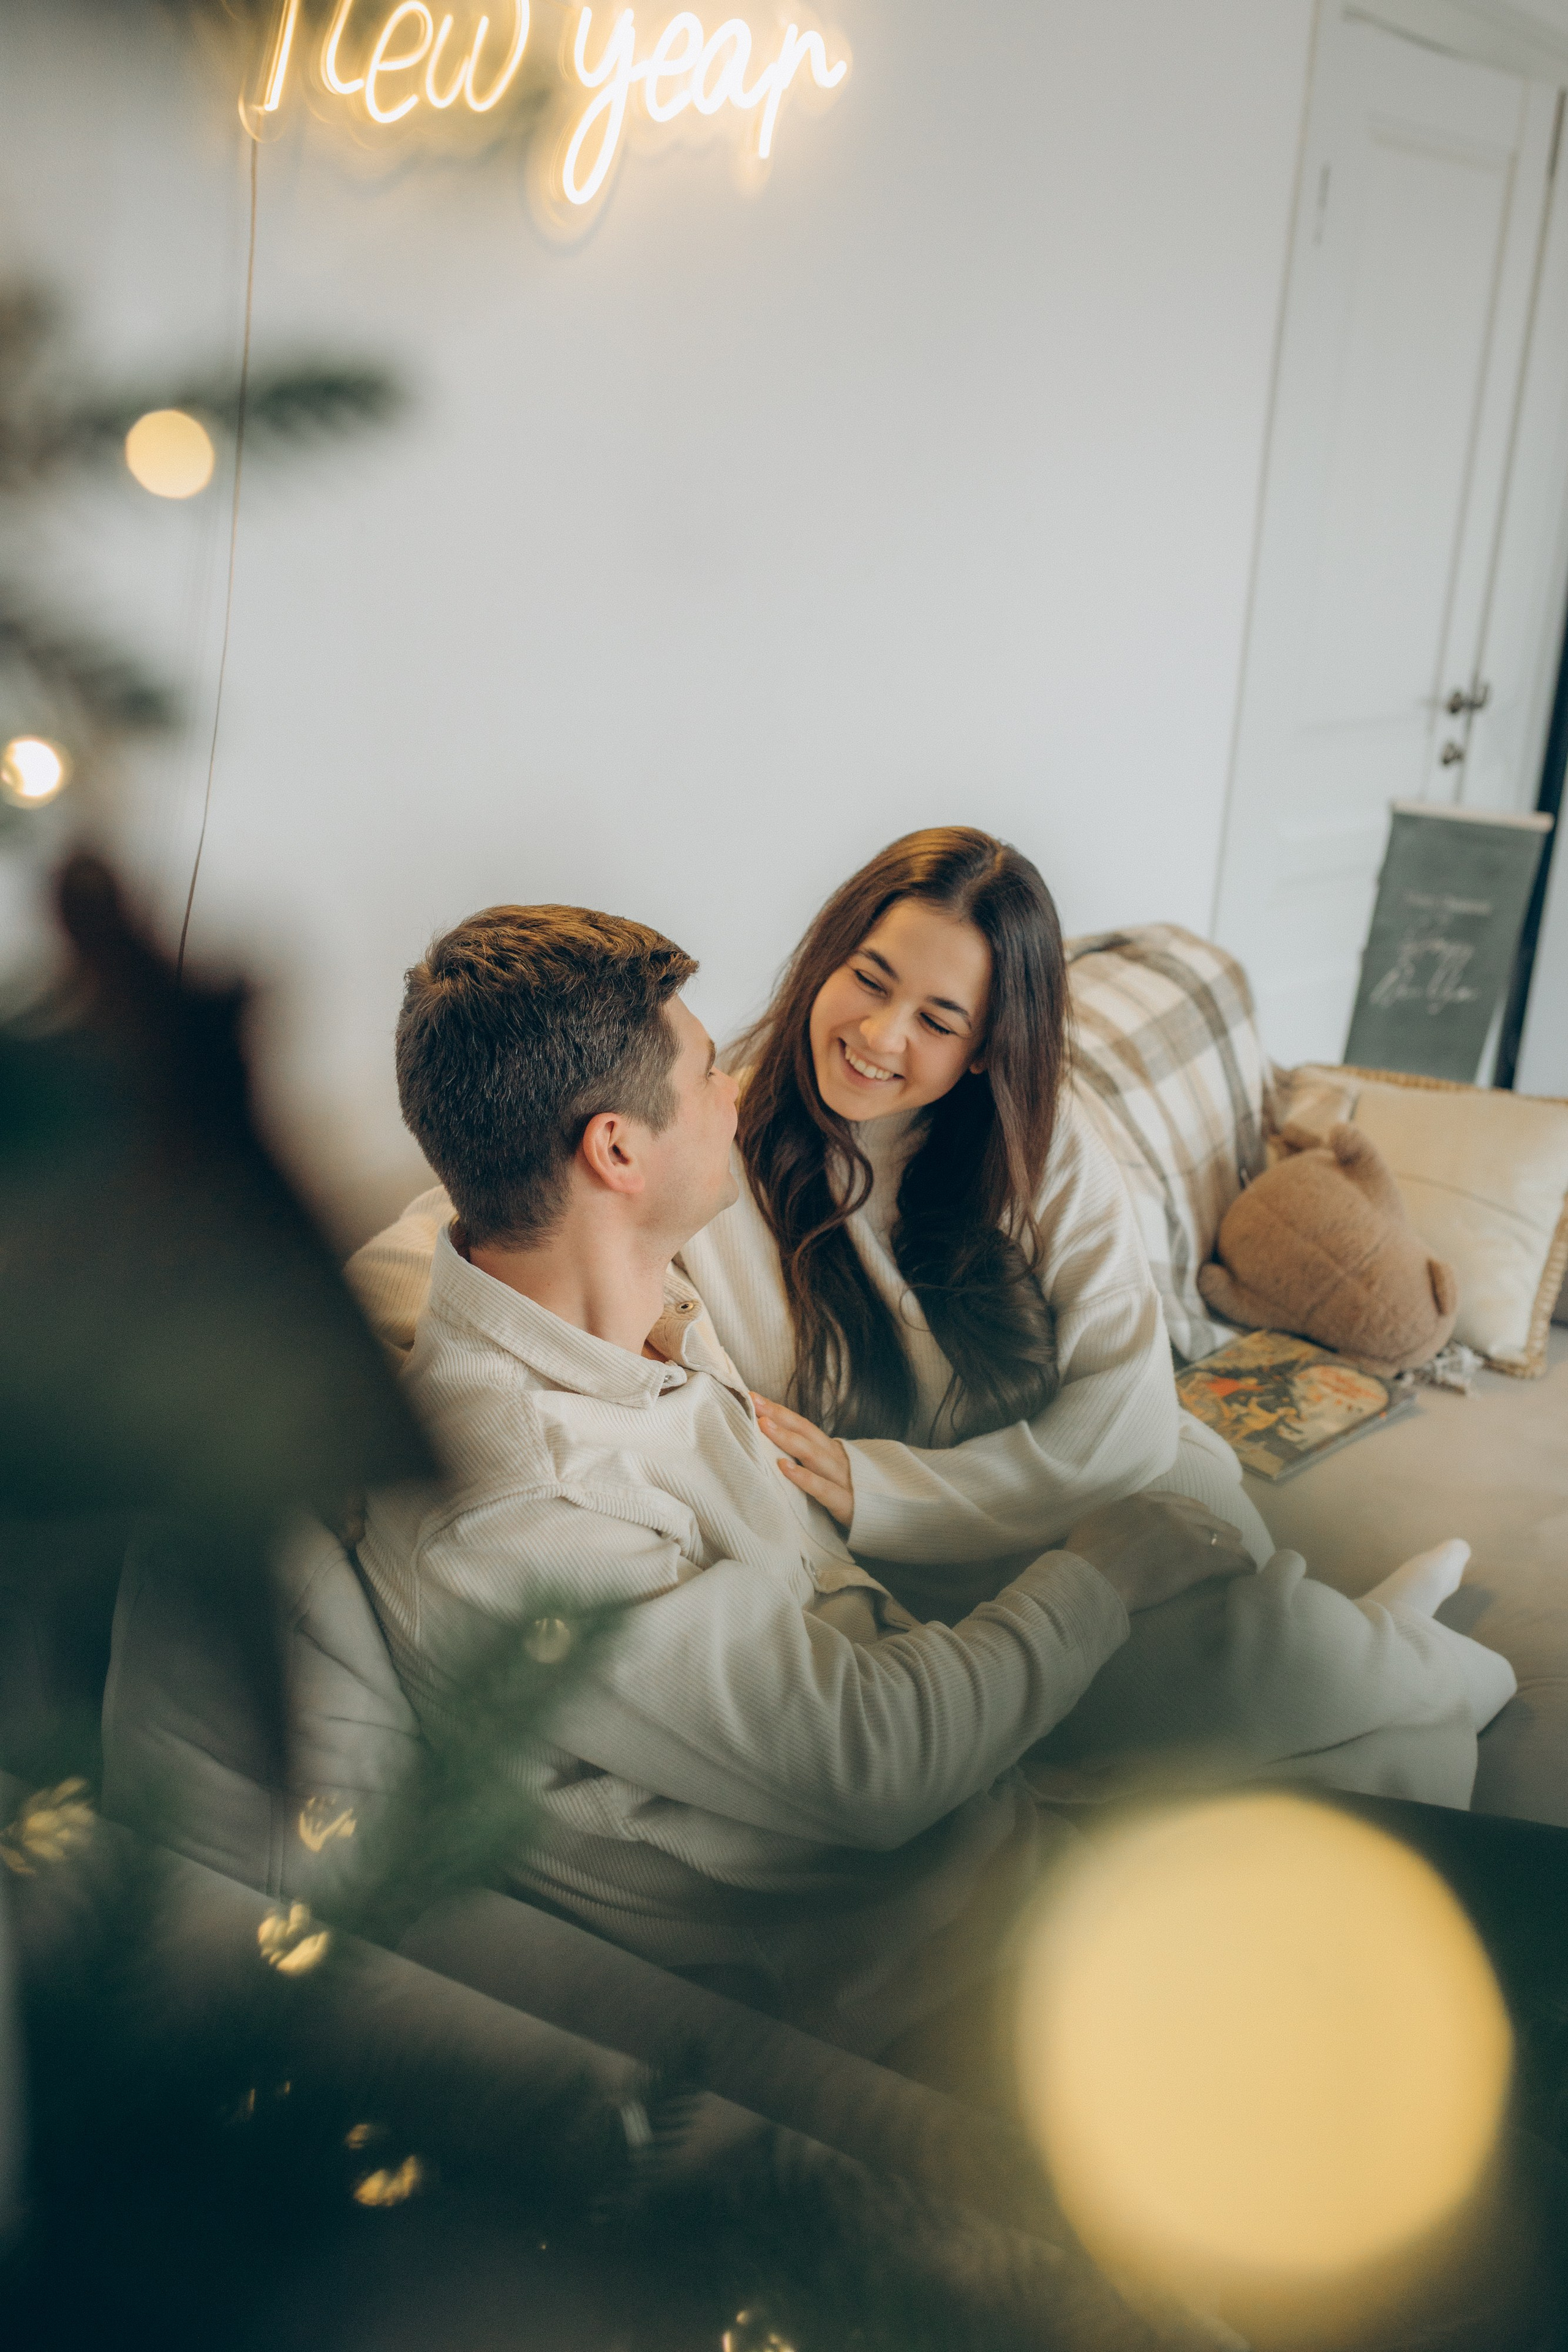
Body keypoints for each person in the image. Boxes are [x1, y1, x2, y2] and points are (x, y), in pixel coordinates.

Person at [356, 902, 1506, 2057]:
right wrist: (1097, 1581)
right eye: (706, 1074)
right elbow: (871, 1761)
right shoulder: (519, 1510)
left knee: (1356, 1755)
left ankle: (1404, 1674)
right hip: (936, 1954)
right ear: (615, 1152)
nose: (735, 1093)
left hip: (992, 1810)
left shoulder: (619, 1302)